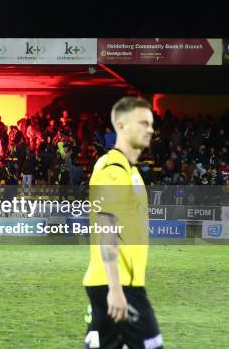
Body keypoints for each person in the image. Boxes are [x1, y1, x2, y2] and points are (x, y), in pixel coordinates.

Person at [83, 96, 162, 349]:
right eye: (143, 123)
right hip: (120, 286)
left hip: (118, 282)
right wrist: (115, 288)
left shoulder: (131, 170)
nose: (150, 129)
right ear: (121, 126)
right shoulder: (113, 168)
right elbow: (106, 224)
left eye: (151, 123)